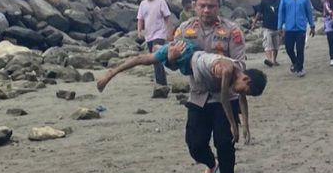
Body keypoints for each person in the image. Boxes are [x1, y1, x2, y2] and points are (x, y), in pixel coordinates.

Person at [96, 40, 267, 142]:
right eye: (246, 90)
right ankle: (111, 74)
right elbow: (224, 99)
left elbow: (242, 99)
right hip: (185, 55)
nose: (242, 94)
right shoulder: (228, 70)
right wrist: (233, 126)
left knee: (162, 56)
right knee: (145, 59)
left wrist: (246, 126)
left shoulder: (239, 72)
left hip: (193, 60)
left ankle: (160, 48)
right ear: (245, 79)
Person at [173, 0, 247, 173]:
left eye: (211, 6)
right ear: (194, 5)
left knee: (225, 143)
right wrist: (172, 57)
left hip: (225, 96)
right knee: (195, 144)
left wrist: (221, 67)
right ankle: (210, 164)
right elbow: (173, 61)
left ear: (219, 5)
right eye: (202, 5)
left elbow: (241, 63)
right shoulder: (184, 30)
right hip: (198, 95)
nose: (206, 10)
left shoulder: (232, 31)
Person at [277, 0, 316, 77]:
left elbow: (309, 13)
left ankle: (300, 69)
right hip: (289, 28)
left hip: (301, 28)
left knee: (300, 49)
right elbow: (281, 13)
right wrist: (279, 27)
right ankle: (295, 63)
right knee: (289, 49)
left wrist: (312, 26)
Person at [137, 0, 173, 87]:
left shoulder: (161, 2)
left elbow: (167, 18)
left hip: (160, 33)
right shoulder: (143, 4)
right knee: (154, 59)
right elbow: (140, 19)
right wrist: (139, 31)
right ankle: (160, 81)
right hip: (149, 35)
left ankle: (161, 83)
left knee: (156, 57)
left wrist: (168, 32)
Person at [251, 0, 282, 67]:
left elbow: (283, 13)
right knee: (268, 44)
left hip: (277, 27)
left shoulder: (279, 1)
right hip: (267, 27)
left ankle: (274, 60)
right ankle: (269, 60)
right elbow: (259, 13)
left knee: (276, 46)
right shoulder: (264, 1)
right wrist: (254, 23)